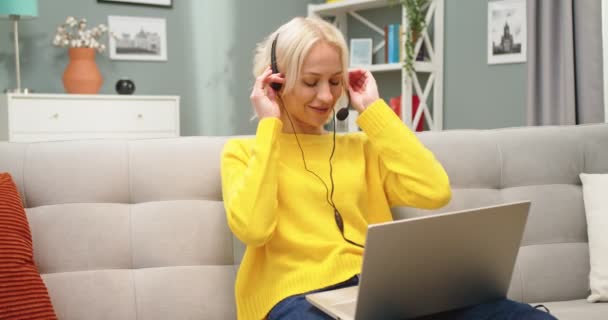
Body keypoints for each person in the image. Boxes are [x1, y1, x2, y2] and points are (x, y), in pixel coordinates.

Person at [221, 16, 557, 320]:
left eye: (336, 81)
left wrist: (373, 111)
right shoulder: (245, 152)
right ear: (275, 82)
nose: (326, 96)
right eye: (311, 82)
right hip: (295, 299)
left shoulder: (362, 149)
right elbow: (254, 229)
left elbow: (434, 191)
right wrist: (270, 127)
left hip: (382, 293)